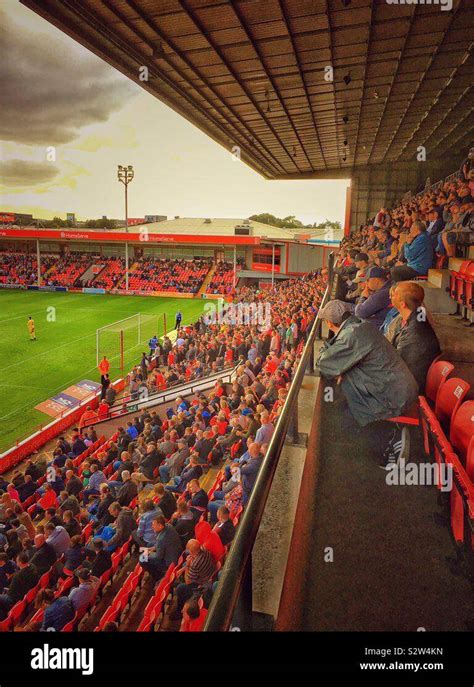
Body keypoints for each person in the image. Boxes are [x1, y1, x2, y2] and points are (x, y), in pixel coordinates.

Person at [317, 300, 419, 468]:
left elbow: (323, 364)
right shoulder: (361, 325)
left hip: (394, 395)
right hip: (400, 386)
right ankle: (389, 432)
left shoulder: (351, 336)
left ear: (329, 323)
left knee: (345, 422)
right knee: (344, 404)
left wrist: (337, 366)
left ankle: (392, 437)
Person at [389, 281, 441, 393]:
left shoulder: (414, 332)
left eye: (394, 295)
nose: (391, 296)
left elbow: (395, 364)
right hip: (408, 378)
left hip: (409, 388)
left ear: (402, 304)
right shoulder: (419, 312)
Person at [170, 539, 216, 620]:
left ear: (192, 551)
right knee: (184, 562)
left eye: (189, 549)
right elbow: (194, 561)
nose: (188, 551)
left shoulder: (195, 564)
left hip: (202, 584)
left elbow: (188, 581)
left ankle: (179, 611)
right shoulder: (203, 549)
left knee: (180, 588)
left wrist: (187, 566)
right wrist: (184, 569)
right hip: (207, 573)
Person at [140, 515, 182, 580]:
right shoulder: (168, 526)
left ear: (160, 525)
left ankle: (156, 576)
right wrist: (154, 548)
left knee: (142, 559)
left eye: (154, 525)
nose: (152, 527)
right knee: (149, 545)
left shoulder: (161, 538)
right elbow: (162, 544)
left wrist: (148, 553)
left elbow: (158, 556)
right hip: (174, 553)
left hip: (169, 562)